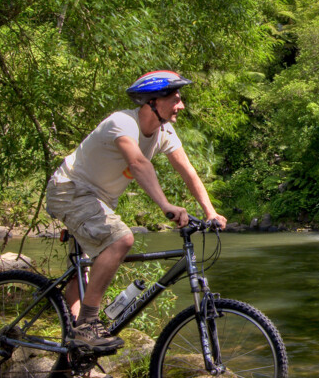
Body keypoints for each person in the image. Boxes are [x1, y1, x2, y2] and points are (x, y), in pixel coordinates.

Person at [46, 70, 227, 358]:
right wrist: (166, 206)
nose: (181, 105)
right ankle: (87, 325)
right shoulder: (122, 123)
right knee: (121, 240)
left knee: (86, 273)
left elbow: (188, 172)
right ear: (153, 102)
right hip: (71, 190)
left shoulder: (165, 132)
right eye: (176, 99)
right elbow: (139, 163)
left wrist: (211, 211)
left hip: (99, 200)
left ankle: (75, 357)